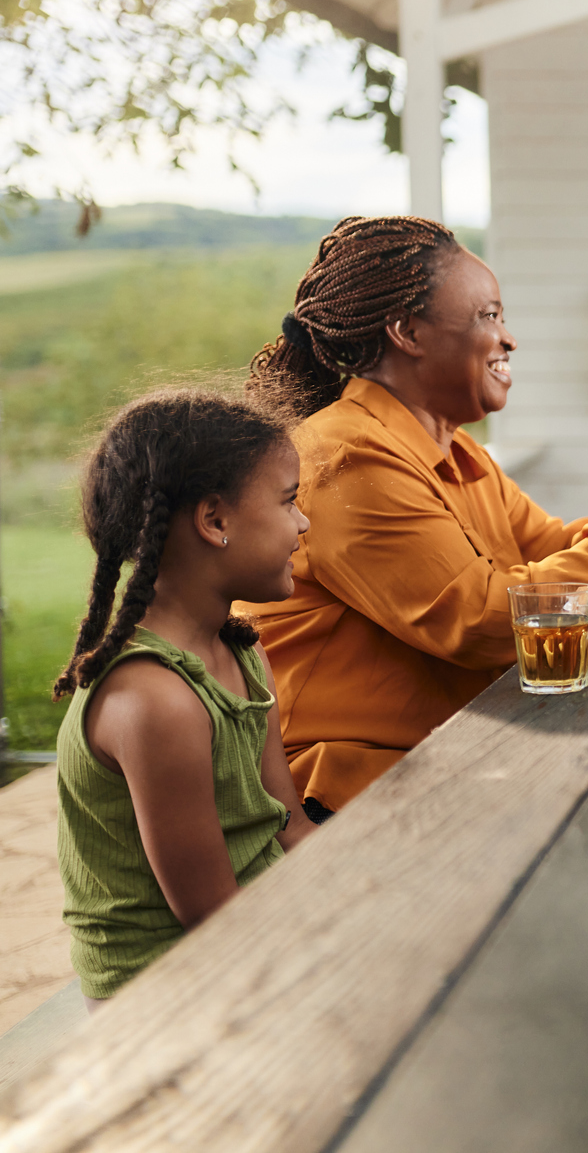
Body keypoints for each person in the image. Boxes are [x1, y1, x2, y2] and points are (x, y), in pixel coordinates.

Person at [244, 216, 588, 815]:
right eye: (488, 316)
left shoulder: (452, 448)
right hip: (357, 791)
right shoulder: (345, 458)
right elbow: (483, 618)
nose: (508, 339)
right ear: (407, 331)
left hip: (466, 748)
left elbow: (552, 550)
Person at [53, 389, 318, 1005]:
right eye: (288, 501)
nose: (303, 523)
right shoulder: (154, 701)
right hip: (165, 990)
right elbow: (213, 919)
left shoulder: (241, 653)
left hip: (254, 928)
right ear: (215, 521)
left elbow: (290, 828)